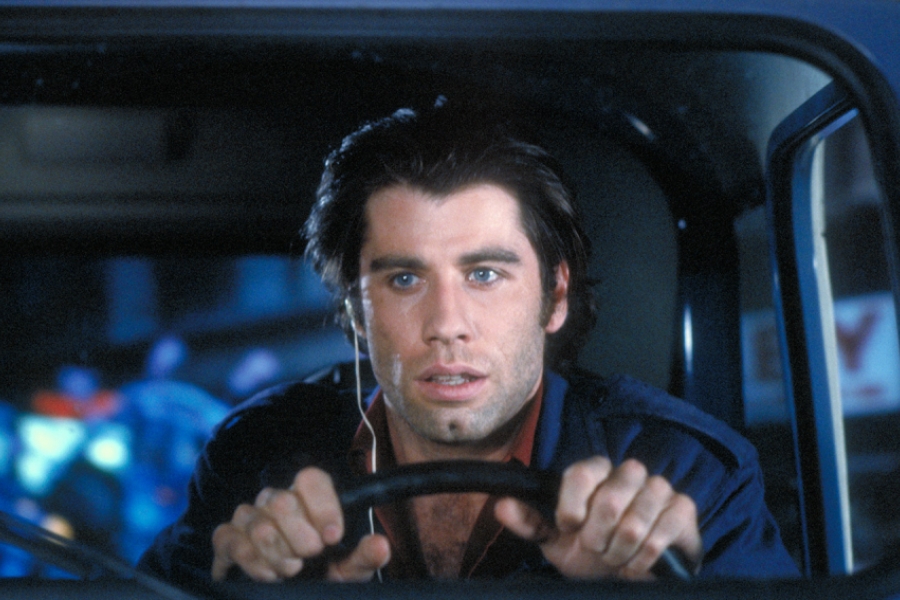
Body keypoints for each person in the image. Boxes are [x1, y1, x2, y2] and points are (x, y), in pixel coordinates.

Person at [138, 101, 798, 586]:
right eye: (404, 279)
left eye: (484, 275)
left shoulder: (687, 474)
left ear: (555, 297)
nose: (447, 323)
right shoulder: (255, 457)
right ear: (357, 312)